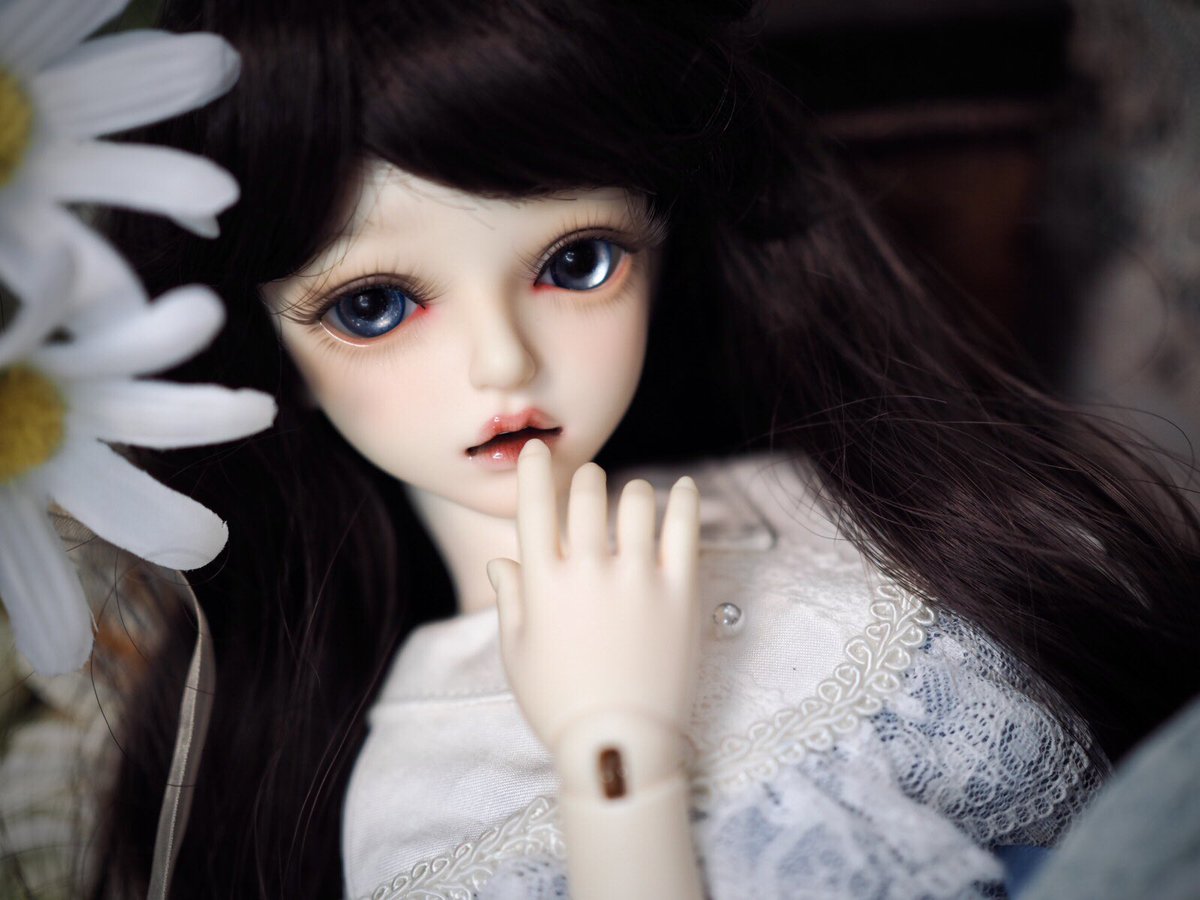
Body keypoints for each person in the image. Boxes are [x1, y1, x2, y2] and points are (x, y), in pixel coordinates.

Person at [75, 0, 1198, 897]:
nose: (505, 364)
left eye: (577, 262)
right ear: (265, 351)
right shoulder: (422, 798)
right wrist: (616, 761)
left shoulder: (857, 511)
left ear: (664, 247)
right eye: (372, 307)